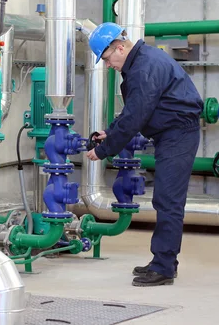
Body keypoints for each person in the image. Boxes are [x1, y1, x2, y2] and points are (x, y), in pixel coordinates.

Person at [86, 22, 204, 287]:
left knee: (168, 201)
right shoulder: (142, 62)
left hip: (178, 135)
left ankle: (163, 268)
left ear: (119, 47)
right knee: (166, 200)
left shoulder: (144, 67)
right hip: (171, 134)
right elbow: (133, 111)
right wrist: (110, 132)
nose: (107, 65)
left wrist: (103, 150)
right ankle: (162, 261)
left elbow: (136, 115)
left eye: (106, 59)